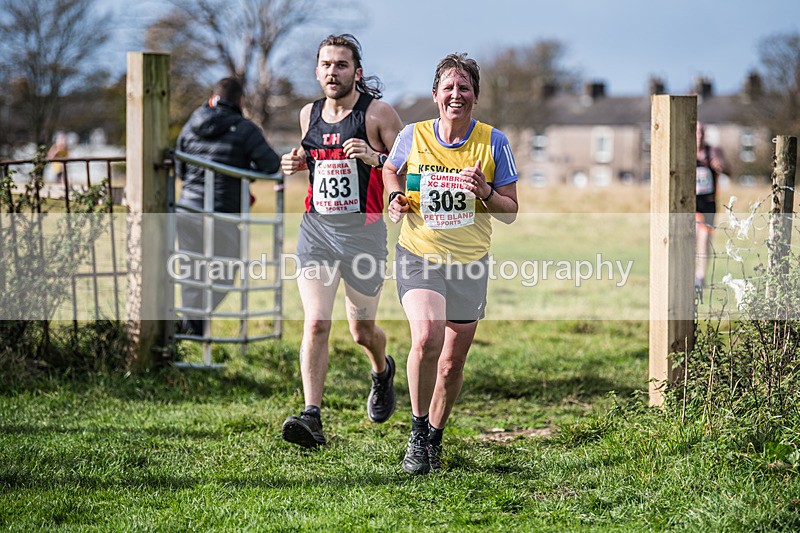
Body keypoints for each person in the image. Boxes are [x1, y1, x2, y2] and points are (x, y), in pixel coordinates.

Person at [383, 53, 519, 474]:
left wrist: (485, 192)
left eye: (464, 88)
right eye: (449, 88)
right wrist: (394, 198)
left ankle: (434, 439)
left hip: (469, 263)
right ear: (435, 94)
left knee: (451, 362)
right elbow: (391, 171)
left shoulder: (495, 142)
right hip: (419, 252)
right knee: (426, 338)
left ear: (475, 96)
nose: (456, 95)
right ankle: (416, 432)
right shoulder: (413, 135)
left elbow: (510, 210)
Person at [280, 34, 403, 448]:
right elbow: (310, 154)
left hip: (364, 235)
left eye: (341, 65)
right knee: (316, 322)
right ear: (317, 71)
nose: (333, 72)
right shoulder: (308, 114)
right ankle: (312, 416)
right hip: (316, 231)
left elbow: (414, 166)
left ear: (357, 71)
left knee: (361, 330)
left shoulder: (378, 114)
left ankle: (382, 370)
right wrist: (295, 160)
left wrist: (374, 158)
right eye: (326, 65)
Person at [175, 77, 280, 335]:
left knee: (191, 273)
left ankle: (190, 326)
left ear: (213, 96)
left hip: (186, 209)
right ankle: (194, 326)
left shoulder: (190, 124)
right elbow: (271, 164)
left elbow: (180, 169)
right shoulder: (245, 129)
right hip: (223, 211)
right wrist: (243, 170)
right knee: (225, 273)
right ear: (240, 100)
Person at [695, 120, 729, 297]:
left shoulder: (713, 151)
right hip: (691, 204)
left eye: (701, 132)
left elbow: (729, 170)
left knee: (704, 240)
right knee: (693, 237)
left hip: (708, 203)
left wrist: (720, 167)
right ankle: (691, 274)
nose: (699, 135)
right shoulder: (685, 151)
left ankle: (700, 277)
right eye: (696, 132)